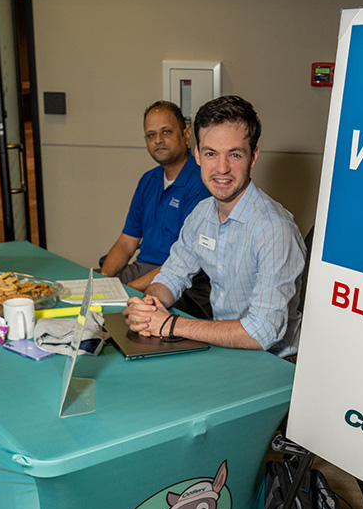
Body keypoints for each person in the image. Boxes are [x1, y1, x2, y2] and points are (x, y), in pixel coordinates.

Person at [123, 95, 306, 358]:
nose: (222, 168)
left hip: (273, 362)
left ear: (253, 156)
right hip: (227, 350)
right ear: (197, 154)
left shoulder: (274, 229)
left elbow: (263, 331)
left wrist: (170, 325)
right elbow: (172, 275)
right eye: (211, 153)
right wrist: (150, 306)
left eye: (234, 154)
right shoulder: (201, 214)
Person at [100, 101, 212, 314]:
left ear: (186, 135)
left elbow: (184, 264)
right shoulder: (148, 180)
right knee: (85, 295)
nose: (158, 140)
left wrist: (126, 290)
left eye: (166, 132)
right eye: (151, 135)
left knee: (126, 312)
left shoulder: (201, 183)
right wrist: (103, 281)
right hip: (142, 270)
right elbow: (126, 242)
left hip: (183, 282)